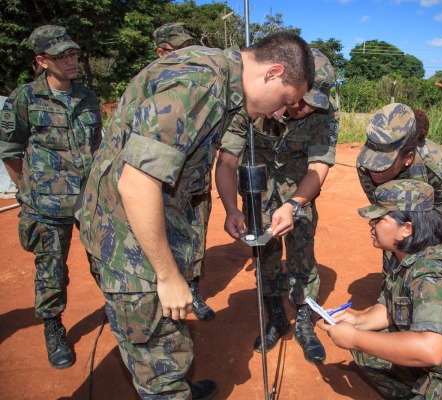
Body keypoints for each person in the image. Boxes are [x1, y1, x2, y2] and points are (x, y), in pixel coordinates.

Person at [77, 31, 314, 399]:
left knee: (169, 339)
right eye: (285, 100)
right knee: (157, 357)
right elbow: (137, 184)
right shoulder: (200, 83)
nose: (280, 113)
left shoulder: (222, 84)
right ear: (272, 73)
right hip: (127, 241)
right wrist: (168, 275)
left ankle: (177, 382)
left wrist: (231, 209)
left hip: (155, 225)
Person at [318, 179, 442, 399]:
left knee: (364, 342)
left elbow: (431, 350)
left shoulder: (432, 274)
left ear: (406, 228)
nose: (371, 224)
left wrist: (355, 337)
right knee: (368, 347)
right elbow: (391, 306)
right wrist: (359, 322)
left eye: (379, 219)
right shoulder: (408, 254)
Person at [215, 48, 337, 365]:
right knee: (265, 255)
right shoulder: (251, 104)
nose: (307, 109)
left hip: (300, 189)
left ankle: (305, 323)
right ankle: (276, 318)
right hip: (258, 189)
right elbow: (227, 161)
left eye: (315, 103)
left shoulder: (323, 113)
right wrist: (231, 208)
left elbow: (319, 167)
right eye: (301, 100)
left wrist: (296, 204)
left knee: (302, 254)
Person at [0, 25, 102, 370]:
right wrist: (26, 188)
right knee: (51, 273)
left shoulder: (87, 97)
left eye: (74, 54)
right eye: (63, 56)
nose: (72, 61)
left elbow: (97, 145)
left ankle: (121, 315)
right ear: (43, 61)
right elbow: (11, 148)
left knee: (105, 263)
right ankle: (53, 327)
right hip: (46, 206)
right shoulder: (24, 98)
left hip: (89, 202)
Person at [152, 22, 215, 321]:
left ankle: (192, 291)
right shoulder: (151, 86)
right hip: (162, 187)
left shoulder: (200, 86)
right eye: (181, 50)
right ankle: (159, 294)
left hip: (198, 181)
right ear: (163, 52)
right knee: (160, 239)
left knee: (196, 238)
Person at [356, 103, 442, 281]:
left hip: (429, 223)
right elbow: (385, 215)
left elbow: (441, 220)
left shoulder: (438, 167)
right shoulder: (365, 166)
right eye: (371, 160)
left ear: (408, 158)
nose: (373, 169)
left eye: (383, 164)